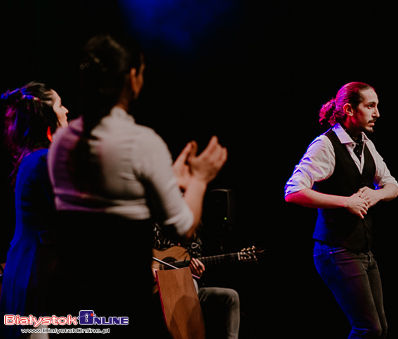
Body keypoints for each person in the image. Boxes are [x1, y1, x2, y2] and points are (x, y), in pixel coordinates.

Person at [47, 33, 227, 337]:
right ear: (132, 78)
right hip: (121, 300)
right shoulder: (142, 142)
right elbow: (183, 226)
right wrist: (199, 179)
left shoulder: (63, 140)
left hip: (71, 297)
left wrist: (165, 177)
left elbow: (111, 190)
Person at [284, 82, 398, 338]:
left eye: (377, 106)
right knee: (369, 328)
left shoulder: (366, 144)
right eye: (370, 106)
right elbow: (292, 192)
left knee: (380, 329)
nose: (377, 113)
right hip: (335, 250)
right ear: (349, 109)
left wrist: (376, 194)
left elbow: (392, 184)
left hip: (364, 252)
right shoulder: (325, 145)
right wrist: (345, 201)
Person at [0, 82, 69, 339]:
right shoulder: (43, 160)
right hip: (33, 275)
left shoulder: (37, 158)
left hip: (30, 271)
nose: (66, 111)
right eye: (60, 105)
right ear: (47, 115)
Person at [153, 223, 240, 339]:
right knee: (189, 288)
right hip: (158, 290)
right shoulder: (157, 227)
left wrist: (197, 272)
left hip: (187, 289)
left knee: (231, 296)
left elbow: (195, 271)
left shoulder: (194, 236)